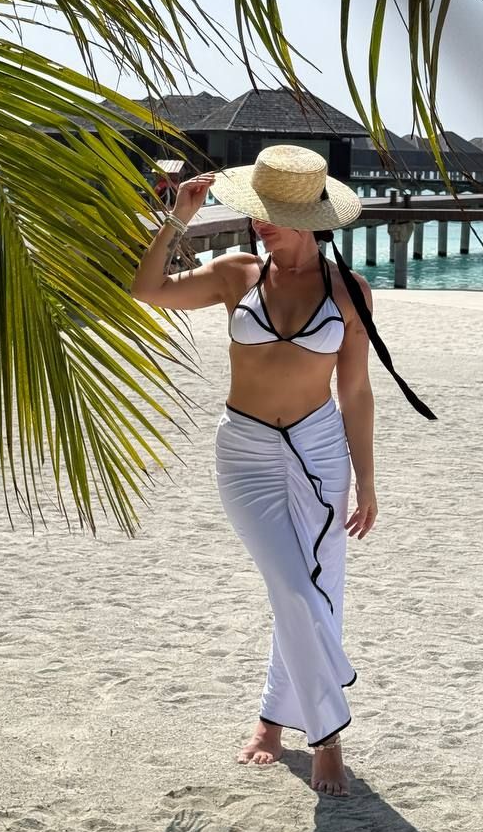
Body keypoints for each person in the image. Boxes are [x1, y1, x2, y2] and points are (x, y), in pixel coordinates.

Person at [131, 144, 435, 798]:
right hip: (244, 454)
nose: (258, 222)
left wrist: (367, 479)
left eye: (272, 213)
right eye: (255, 209)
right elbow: (147, 290)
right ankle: (327, 737)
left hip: (320, 452)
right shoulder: (237, 273)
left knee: (313, 591)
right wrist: (179, 218)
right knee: (293, 588)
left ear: (308, 218)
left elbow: (355, 391)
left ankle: (272, 719)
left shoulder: (349, 291)